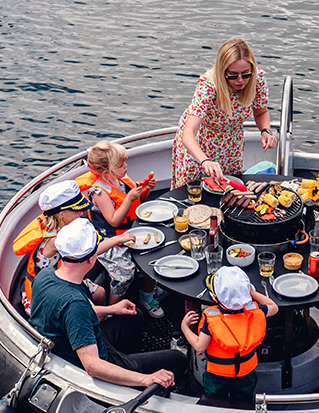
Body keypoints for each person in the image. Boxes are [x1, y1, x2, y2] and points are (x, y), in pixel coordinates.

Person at [29, 218, 186, 388]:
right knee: (177, 359)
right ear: (91, 260)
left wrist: (112, 309)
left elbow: (66, 318)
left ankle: (127, 360)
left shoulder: (46, 275)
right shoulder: (75, 304)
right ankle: (131, 377)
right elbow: (93, 366)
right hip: (90, 362)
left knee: (135, 317)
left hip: (75, 342)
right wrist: (146, 379)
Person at [170, 39, 278, 189]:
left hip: (231, 143)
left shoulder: (257, 79)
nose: (240, 80)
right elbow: (188, 133)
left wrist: (265, 131)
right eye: (233, 75)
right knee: (194, 191)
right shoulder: (208, 85)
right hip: (201, 141)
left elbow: (261, 112)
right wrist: (205, 161)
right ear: (222, 72)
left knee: (229, 188)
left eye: (245, 74)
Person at [75, 140, 164, 318]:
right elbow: (114, 221)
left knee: (152, 256)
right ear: (106, 172)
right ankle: (112, 310)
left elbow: (139, 199)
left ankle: (146, 296)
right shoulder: (99, 193)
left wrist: (145, 189)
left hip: (131, 231)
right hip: (109, 240)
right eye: (121, 164)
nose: (126, 166)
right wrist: (130, 198)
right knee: (124, 273)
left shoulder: (121, 178)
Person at [12, 180, 128, 315]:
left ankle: (101, 320)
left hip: (64, 278)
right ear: (61, 214)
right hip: (50, 293)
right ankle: (98, 322)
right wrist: (117, 239)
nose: (81, 213)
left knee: (100, 293)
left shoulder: (57, 227)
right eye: (77, 210)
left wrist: (118, 239)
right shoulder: (57, 241)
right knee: (89, 311)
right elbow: (92, 252)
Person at [180, 266, 278, 406]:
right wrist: (251, 293)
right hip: (246, 374)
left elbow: (199, 345)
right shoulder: (254, 311)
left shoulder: (211, 318)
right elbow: (274, 307)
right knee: (244, 401)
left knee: (216, 403)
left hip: (217, 377)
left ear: (214, 297)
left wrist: (184, 327)